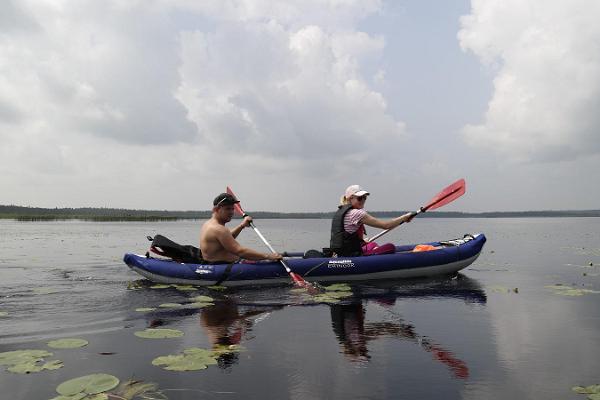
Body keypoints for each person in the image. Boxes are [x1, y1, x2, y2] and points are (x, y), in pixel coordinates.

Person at [330, 184, 415, 257]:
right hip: (352, 255)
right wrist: (404, 217)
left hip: (341, 252)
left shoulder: (342, 211)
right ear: (350, 198)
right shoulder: (357, 213)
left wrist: (401, 221)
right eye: (360, 198)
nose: (363, 200)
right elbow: (386, 225)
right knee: (390, 247)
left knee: (372, 244)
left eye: (364, 198)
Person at [200, 193, 283, 263]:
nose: (231, 212)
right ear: (216, 209)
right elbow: (240, 251)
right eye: (227, 209)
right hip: (221, 267)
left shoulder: (208, 224)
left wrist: (242, 226)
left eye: (232, 209)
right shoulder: (218, 229)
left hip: (217, 263)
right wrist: (268, 256)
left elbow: (227, 238)